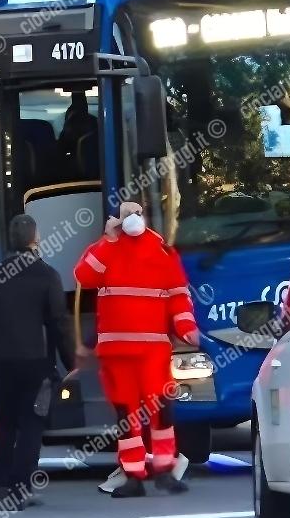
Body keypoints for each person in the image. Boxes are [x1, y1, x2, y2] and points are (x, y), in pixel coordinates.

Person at [74, 201, 200, 498]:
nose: (132, 219)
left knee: (161, 411)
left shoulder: (162, 251)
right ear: (118, 219)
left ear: (144, 216)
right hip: (118, 352)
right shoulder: (108, 248)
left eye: (136, 213)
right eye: (126, 214)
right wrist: (108, 240)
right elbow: (84, 276)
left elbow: (178, 295)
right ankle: (133, 475)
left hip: (151, 350)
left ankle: (164, 470)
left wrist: (186, 328)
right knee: (126, 415)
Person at [0, 213, 75, 510]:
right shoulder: (47, 275)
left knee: (4, 425)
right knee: (31, 424)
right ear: (35, 239)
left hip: (2, 362)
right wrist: (69, 361)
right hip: (37, 363)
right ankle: (19, 490)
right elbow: (59, 322)